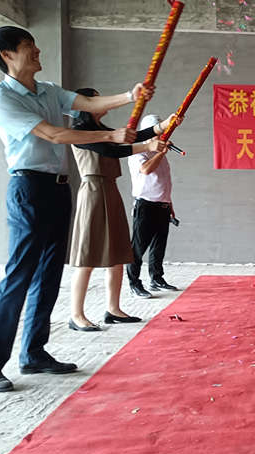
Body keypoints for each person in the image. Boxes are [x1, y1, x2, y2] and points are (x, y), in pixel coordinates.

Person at [0, 26, 152, 392]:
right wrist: (109, 135)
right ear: (7, 55)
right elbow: (53, 134)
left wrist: (130, 96)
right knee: (19, 276)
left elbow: (88, 104)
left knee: (49, 275)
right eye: (29, 46)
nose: (37, 51)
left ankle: (34, 353)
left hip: (58, 189)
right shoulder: (3, 99)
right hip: (28, 189)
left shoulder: (48, 91)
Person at [69, 88, 178, 330]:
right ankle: (76, 315)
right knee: (87, 256)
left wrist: (162, 127)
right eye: (95, 99)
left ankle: (113, 309)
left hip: (110, 189)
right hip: (93, 191)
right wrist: (148, 146)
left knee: (118, 253)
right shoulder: (79, 132)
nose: (102, 102)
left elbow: (131, 137)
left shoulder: (103, 130)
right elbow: (112, 150)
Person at [126, 114, 180, 298]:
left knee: (158, 245)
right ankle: (134, 284)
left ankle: (156, 278)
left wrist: (169, 203)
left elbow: (163, 182)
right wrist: (160, 153)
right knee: (138, 248)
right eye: (157, 131)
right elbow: (146, 169)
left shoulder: (160, 153)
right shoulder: (138, 151)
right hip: (145, 205)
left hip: (162, 205)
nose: (161, 135)